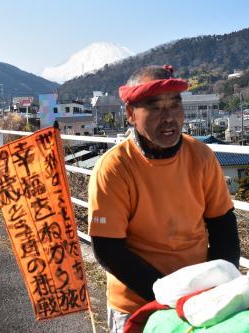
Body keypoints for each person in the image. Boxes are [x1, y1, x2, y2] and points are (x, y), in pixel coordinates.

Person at [88, 65, 240, 332]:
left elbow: (223, 227)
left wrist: (217, 289)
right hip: (137, 303)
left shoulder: (201, 156)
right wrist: (169, 297)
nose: (169, 117)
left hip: (197, 300)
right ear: (131, 114)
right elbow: (108, 249)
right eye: (155, 106)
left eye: (175, 104)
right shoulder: (114, 168)